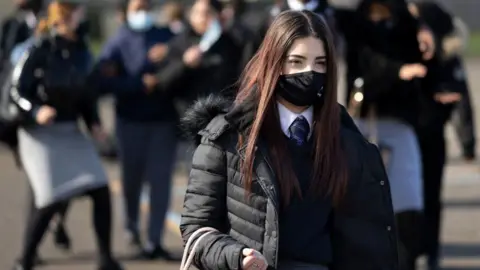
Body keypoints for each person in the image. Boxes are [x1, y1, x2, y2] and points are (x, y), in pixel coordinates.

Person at [180, 10, 398, 270]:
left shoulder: (348, 142)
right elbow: (196, 229)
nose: (309, 72)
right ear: (273, 63)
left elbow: (366, 238)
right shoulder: (226, 137)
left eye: (320, 63)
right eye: (296, 61)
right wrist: (237, 256)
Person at [10, 1, 122, 269]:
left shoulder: (82, 51)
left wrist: (94, 123)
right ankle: (24, 259)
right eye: (74, 13)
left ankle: (105, 258)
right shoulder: (39, 47)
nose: (80, 17)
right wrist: (36, 110)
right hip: (39, 133)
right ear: (61, 18)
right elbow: (17, 90)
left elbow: (86, 95)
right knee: (50, 197)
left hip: (70, 130)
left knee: (100, 189)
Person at [97, 0, 177, 260]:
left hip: (163, 123)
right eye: (137, 8)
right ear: (127, 11)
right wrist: (138, 84)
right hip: (129, 122)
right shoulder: (118, 41)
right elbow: (105, 80)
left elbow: (182, 62)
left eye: (146, 7)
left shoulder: (166, 36)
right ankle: (131, 227)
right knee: (131, 181)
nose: (143, 13)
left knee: (160, 182)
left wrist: (168, 59)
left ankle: (154, 241)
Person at [408, 1, 472, 269]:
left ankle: (426, 251)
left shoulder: (444, 56)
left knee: (426, 196)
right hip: (409, 130)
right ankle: (419, 251)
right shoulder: (403, 41)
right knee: (415, 197)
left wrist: (468, 142)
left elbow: (460, 99)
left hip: (426, 132)